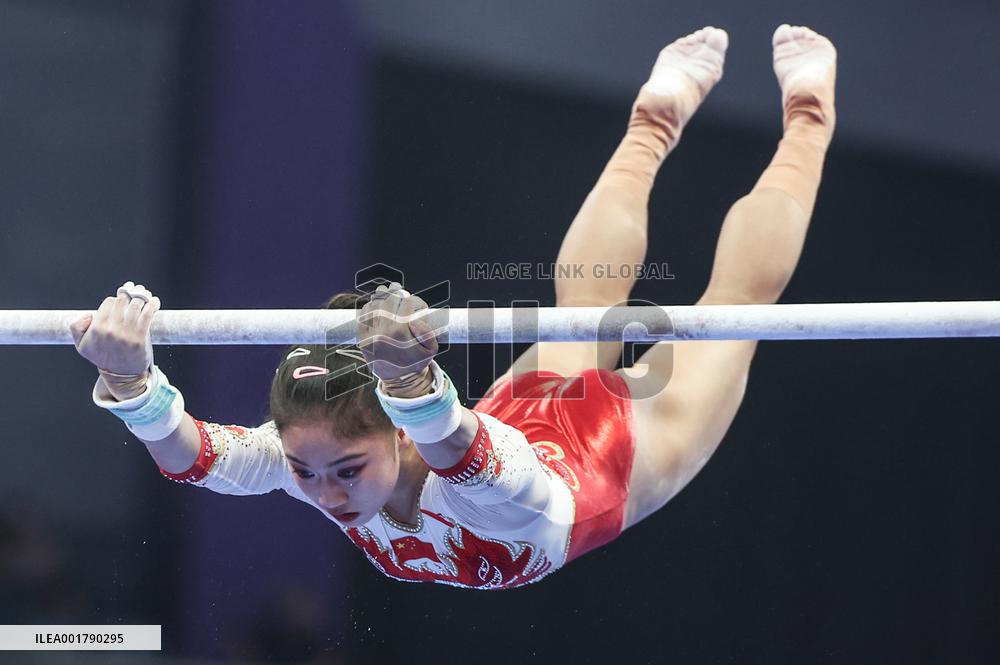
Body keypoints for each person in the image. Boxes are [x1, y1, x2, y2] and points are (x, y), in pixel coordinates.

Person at [71, 24, 836, 590]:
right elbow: (199, 458)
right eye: (304, 470)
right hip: (558, 447)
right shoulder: (321, 455)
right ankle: (659, 120)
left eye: (341, 468)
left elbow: (461, 447)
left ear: (398, 433)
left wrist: (410, 386)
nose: (325, 491)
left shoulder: (476, 468)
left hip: (616, 447)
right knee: (596, 303)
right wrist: (134, 386)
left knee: (731, 307)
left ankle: (804, 114)